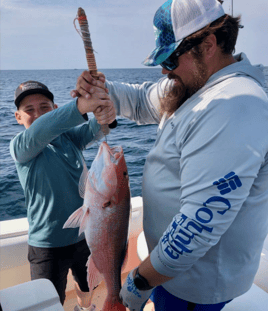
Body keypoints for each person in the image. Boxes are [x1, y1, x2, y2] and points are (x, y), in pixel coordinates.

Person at [73, 0, 268, 310]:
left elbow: (198, 226)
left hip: (194, 286)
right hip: (170, 274)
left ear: (208, 45)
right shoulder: (193, 85)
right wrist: (100, 89)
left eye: (171, 58)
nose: (164, 69)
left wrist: (138, 282)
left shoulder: (233, 106)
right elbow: (139, 101)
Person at [10, 79, 115, 311]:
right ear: (18, 117)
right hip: (46, 246)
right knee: (47, 302)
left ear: (55, 109)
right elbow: (42, 130)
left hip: (84, 236)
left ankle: (84, 308)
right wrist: (81, 105)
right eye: (29, 110)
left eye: (44, 107)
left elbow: (99, 128)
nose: (37, 114)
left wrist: (103, 108)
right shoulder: (21, 147)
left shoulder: (70, 138)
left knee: (88, 287)